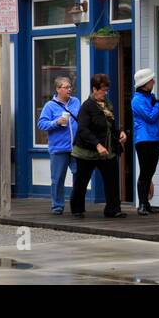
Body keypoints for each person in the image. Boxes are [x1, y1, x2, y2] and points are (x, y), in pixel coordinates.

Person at [70, 73, 127, 218]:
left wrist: (120, 132)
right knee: (82, 181)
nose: (105, 93)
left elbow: (111, 124)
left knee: (112, 179)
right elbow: (83, 129)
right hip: (86, 151)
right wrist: (97, 145)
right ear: (94, 89)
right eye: (103, 90)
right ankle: (77, 209)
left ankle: (113, 209)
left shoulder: (107, 104)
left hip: (107, 149)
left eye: (107, 90)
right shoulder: (87, 106)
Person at [36, 76, 81, 214]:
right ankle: (57, 206)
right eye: (66, 87)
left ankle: (77, 205)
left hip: (76, 148)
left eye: (70, 87)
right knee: (57, 179)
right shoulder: (50, 106)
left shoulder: (76, 102)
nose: (69, 89)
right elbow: (41, 124)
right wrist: (56, 122)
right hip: (59, 148)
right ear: (57, 89)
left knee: (79, 177)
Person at [130, 68, 159, 216]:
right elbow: (151, 117)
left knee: (150, 171)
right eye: (151, 80)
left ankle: (146, 203)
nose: (154, 82)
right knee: (145, 172)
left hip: (154, 138)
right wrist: (158, 105)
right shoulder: (137, 99)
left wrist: (158, 106)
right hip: (143, 139)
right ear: (145, 83)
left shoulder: (149, 97)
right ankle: (142, 204)